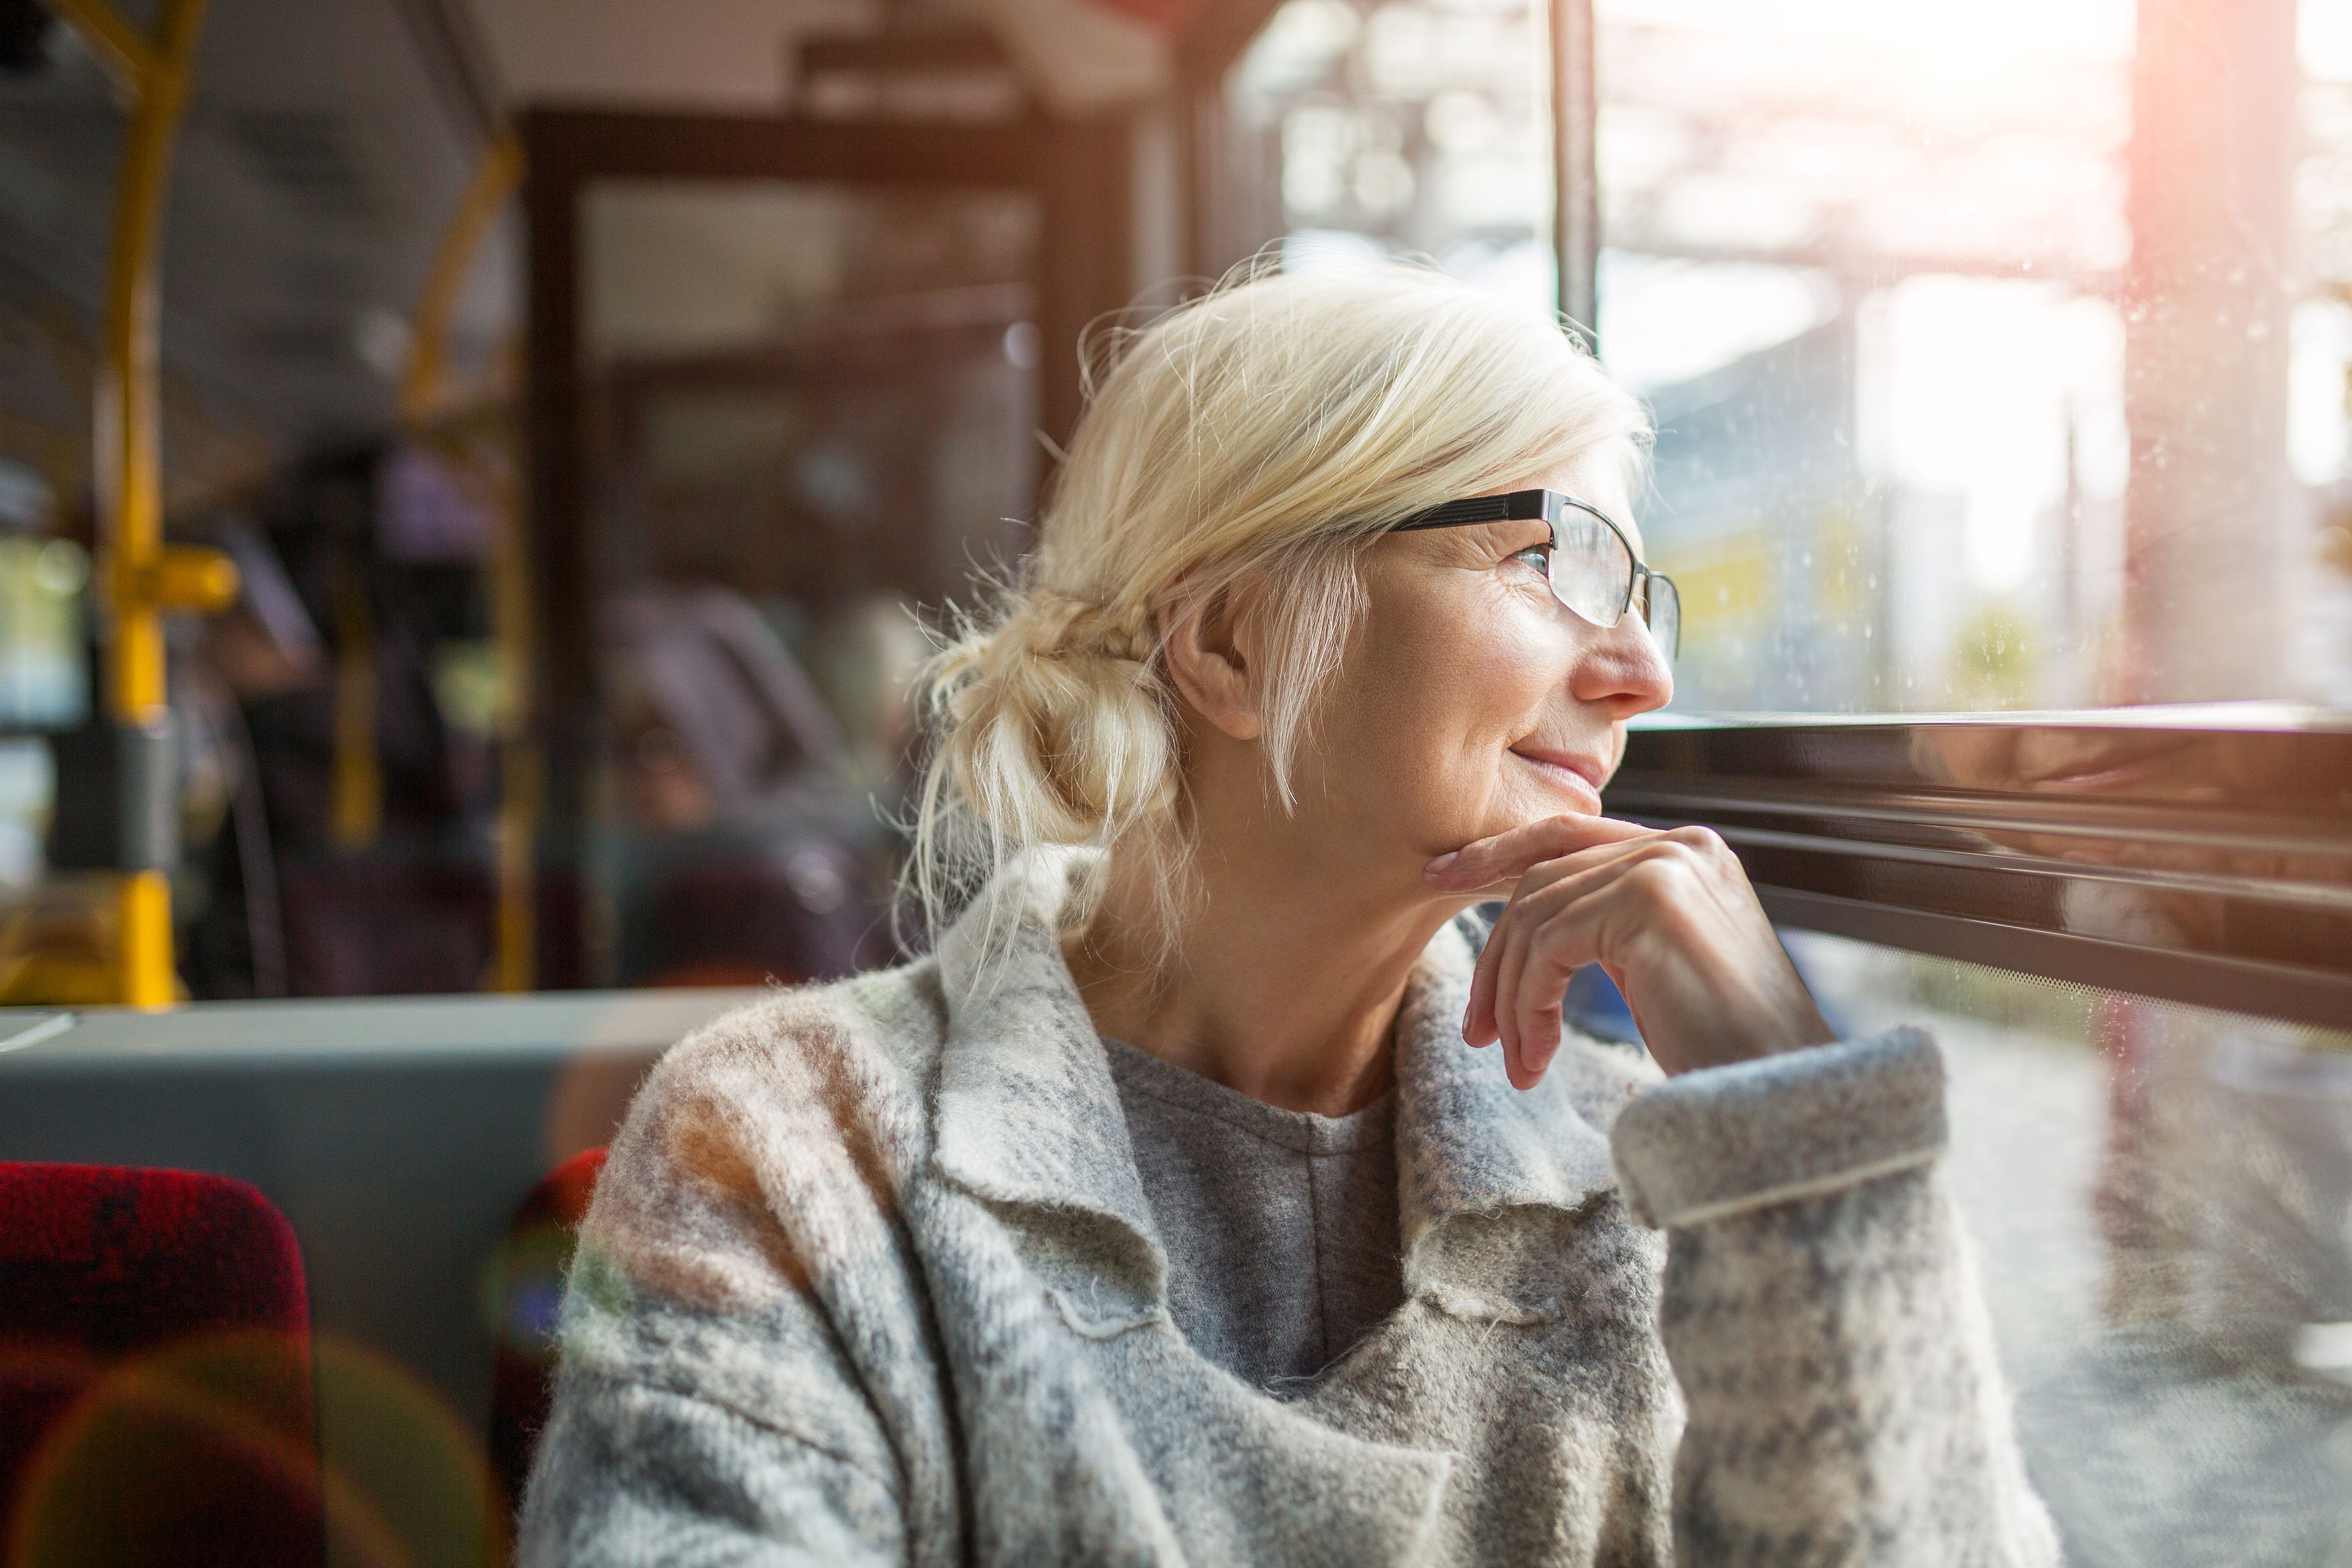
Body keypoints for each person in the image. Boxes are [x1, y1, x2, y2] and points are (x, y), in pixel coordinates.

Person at [518, 263, 2059, 1566]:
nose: (1642, 676)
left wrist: (1796, 1133)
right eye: (1552, 559)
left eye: (1638, 595)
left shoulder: (1642, 1183)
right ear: (1234, 641)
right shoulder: (784, 1151)